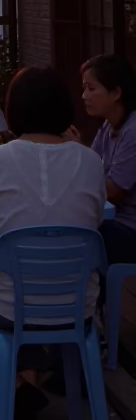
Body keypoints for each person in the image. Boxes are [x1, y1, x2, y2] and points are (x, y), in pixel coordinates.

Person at [0, 66, 106, 420]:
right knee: (39, 293)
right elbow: (93, 224)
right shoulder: (91, 161)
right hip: (77, 305)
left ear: (14, 110)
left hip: (10, 306)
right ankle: (25, 378)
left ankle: (6, 383)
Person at [83, 52, 136, 264]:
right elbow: (91, 164)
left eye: (91, 88)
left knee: (76, 229)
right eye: (84, 88)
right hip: (112, 219)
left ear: (116, 93)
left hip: (128, 227)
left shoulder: (132, 131)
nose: (84, 96)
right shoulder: (109, 124)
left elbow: (114, 191)